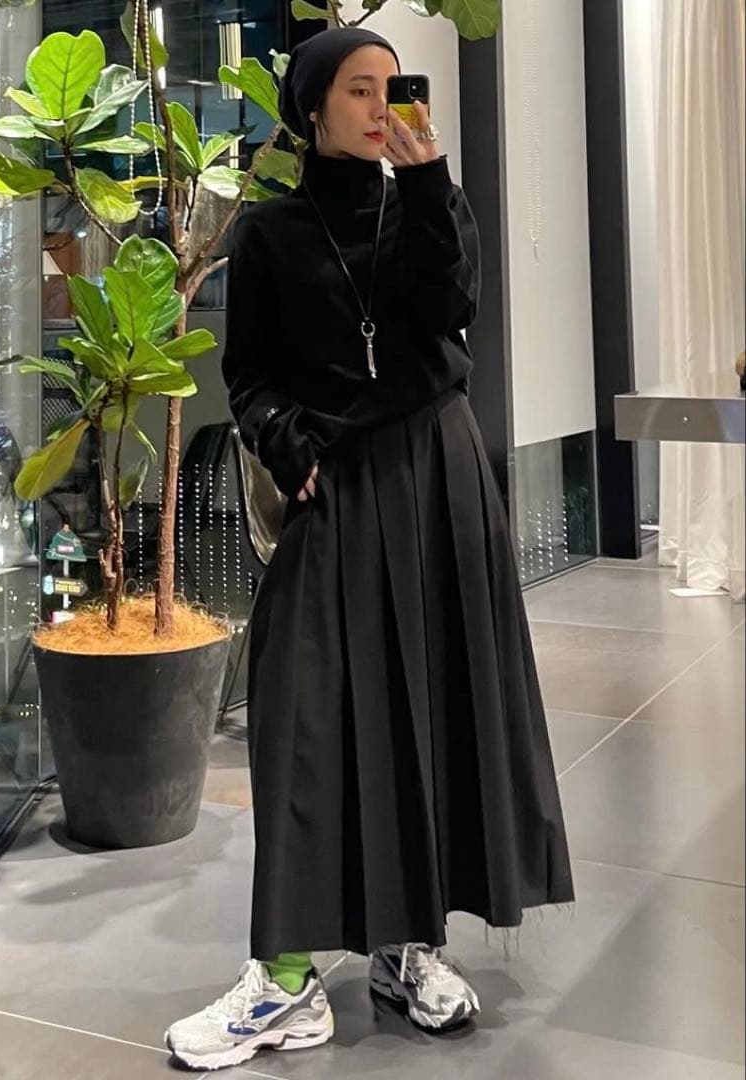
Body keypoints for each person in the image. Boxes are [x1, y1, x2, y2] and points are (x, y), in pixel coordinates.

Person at [165, 27, 574, 1072]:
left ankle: (405, 946)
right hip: (335, 482)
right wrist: (286, 441)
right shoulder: (269, 234)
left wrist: (429, 179)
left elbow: (453, 307)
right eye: (358, 88)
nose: (380, 104)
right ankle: (285, 980)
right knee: (301, 713)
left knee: (429, 700)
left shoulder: (428, 202)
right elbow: (250, 374)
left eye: (392, 87)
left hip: (436, 473)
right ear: (311, 111)